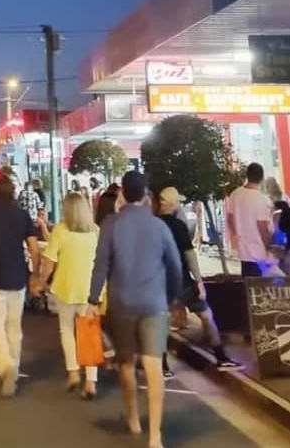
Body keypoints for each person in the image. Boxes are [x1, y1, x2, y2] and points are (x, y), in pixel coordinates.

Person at [87, 171, 182, 448]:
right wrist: (170, 297)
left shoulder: (110, 224)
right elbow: (175, 266)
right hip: (154, 303)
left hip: (122, 303)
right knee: (153, 364)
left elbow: (101, 264)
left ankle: (132, 417)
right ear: (145, 195)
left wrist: (93, 300)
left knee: (126, 362)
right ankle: (155, 435)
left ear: (122, 194)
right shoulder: (159, 226)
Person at [157, 187, 243, 371]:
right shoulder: (178, 226)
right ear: (172, 204)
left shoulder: (152, 224)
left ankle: (163, 366)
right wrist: (199, 281)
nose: (180, 205)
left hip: (159, 280)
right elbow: (189, 255)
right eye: (178, 202)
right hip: (182, 281)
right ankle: (221, 357)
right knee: (206, 316)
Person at [0, 174, 41, 398]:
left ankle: (6, 366)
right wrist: (35, 275)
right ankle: (15, 365)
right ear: (13, 191)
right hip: (18, 275)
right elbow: (33, 246)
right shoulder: (22, 215)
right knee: (14, 326)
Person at [35, 192, 99, 399]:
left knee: (67, 330)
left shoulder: (61, 231)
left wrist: (40, 282)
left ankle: (73, 373)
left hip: (65, 287)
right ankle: (91, 381)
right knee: (89, 333)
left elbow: (49, 262)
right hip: (89, 290)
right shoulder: (95, 231)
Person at [227, 162, 273, 277]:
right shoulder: (261, 199)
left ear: (247, 176)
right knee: (261, 289)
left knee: (248, 287)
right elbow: (262, 227)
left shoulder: (235, 194)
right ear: (262, 178)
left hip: (243, 252)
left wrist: (236, 235)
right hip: (259, 253)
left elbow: (229, 218)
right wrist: (270, 247)